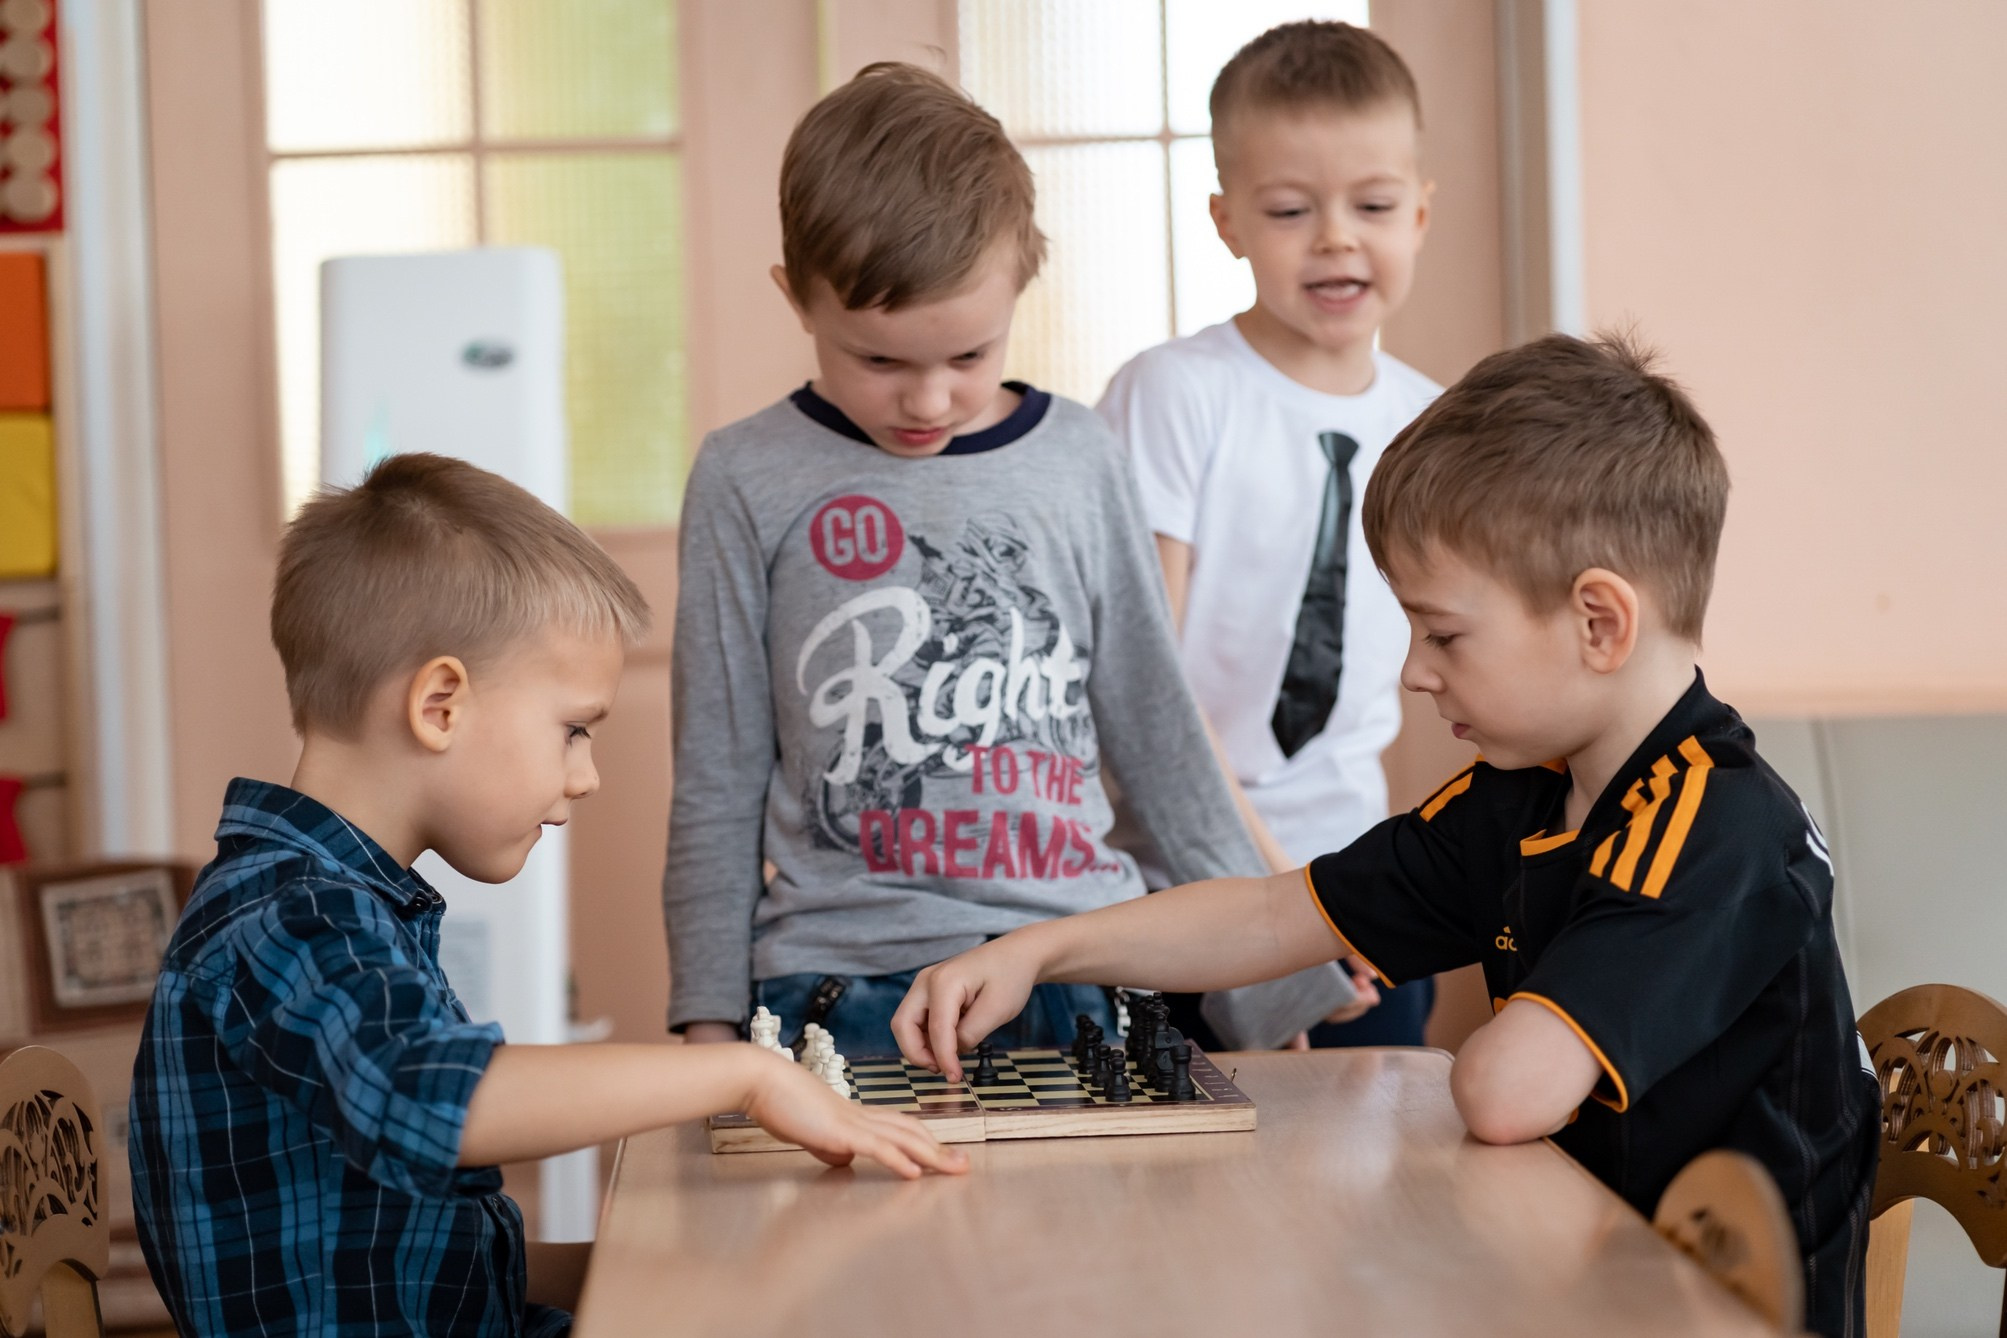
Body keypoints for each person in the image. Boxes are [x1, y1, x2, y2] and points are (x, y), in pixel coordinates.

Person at [895, 333, 1880, 1337]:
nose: (1414, 672)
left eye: (1444, 634)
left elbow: (1504, 1095)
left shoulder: (1715, 826)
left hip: (1719, 1311)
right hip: (1577, 1273)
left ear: (1598, 624)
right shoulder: (1526, 793)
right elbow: (1277, 912)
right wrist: (1043, 950)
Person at [129, 455, 963, 1338]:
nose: (588, 775)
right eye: (571, 730)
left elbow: (430, 1243)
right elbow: (438, 1103)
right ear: (440, 704)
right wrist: (745, 1074)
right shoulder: (288, 917)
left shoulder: (332, 903)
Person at [665, 63, 1354, 1059]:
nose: (930, 402)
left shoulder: (1080, 458)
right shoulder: (743, 477)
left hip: (1083, 966)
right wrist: (706, 1015)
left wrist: (1264, 985)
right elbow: (717, 776)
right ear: (795, 297)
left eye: (969, 356)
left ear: (1022, 284)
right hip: (848, 987)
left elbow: (1161, 738)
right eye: (880, 361)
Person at [1099, 20, 1438, 1048]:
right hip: (1186, 896)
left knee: (1379, 1182)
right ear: (1227, 219)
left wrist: (1364, 902)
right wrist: (1266, 911)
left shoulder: (1436, 425)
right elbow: (1145, 684)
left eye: (1374, 205)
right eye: (1291, 209)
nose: (1336, 237)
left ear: (1422, 213)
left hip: (1362, 909)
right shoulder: (1175, 396)